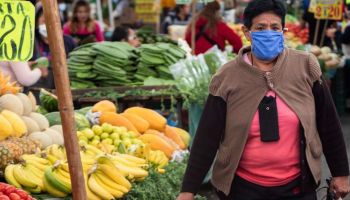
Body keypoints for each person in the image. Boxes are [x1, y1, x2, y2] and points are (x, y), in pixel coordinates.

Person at [177, 0, 350, 200]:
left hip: (297, 188)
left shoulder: (305, 66)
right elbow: (207, 137)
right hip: (242, 190)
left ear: (283, 31)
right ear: (247, 32)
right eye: (260, 27)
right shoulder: (227, 77)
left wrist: (341, 173)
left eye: (275, 27)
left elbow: (328, 123)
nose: (268, 32)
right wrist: (188, 191)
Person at [32, 6, 76, 89]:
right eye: (44, 22)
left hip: (65, 87)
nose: (47, 26)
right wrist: (36, 69)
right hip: (39, 89)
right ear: (37, 23)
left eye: (51, 22)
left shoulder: (68, 42)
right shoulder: (31, 42)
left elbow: (76, 64)